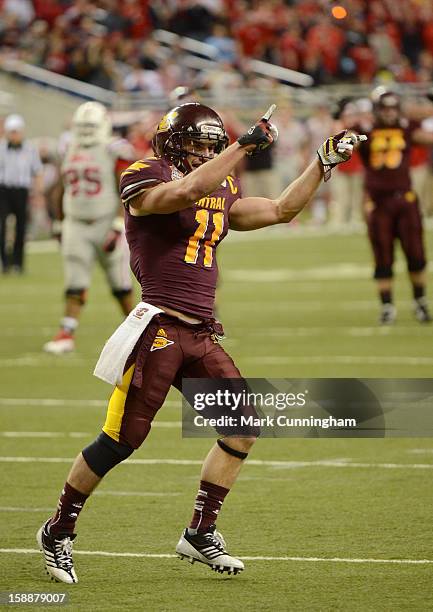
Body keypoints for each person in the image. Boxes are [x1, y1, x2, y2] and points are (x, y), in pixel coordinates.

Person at [36, 102, 363, 583]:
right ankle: (58, 529)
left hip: (201, 331)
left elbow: (280, 209)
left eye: (211, 144)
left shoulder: (221, 179)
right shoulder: (144, 173)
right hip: (158, 328)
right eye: (197, 143)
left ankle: (199, 531)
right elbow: (187, 190)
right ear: (172, 142)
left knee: (243, 426)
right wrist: (240, 147)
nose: (204, 152)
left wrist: (321, 163)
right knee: (121, 441)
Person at [43, 102, 134, 354]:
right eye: (82, 126)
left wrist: (118, 224)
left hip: (106, 221)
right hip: (76, 222)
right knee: (75, 279)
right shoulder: (67, 147)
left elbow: (125, 190)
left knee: (120, 284)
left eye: (90, 126)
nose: (85, 131)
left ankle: (140, 333)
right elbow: (61, 188)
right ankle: (66, 332)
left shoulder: (113, 149)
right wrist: (59, 222)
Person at [353, 90, 433, 324]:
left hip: (405, 200)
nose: (389, 113)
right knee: (383, 255)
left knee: (416, 254)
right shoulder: (365, 131)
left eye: (392, 108)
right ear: (377, 109)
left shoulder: (407, 129)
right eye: (384, 108)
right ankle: (387, 306)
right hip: (379, 203)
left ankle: (420, 302)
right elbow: (344, 141)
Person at [0, 114, 44, 274]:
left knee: (21, 227)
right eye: (11, 132)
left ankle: (18, 263)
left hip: (21, 191)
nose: (14, 135)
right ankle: (4, 262)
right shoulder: (1, 148)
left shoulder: (30, 149)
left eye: (16, 131)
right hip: (3, 190)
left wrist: (39, 193)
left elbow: (37, 171)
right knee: (2, 227)